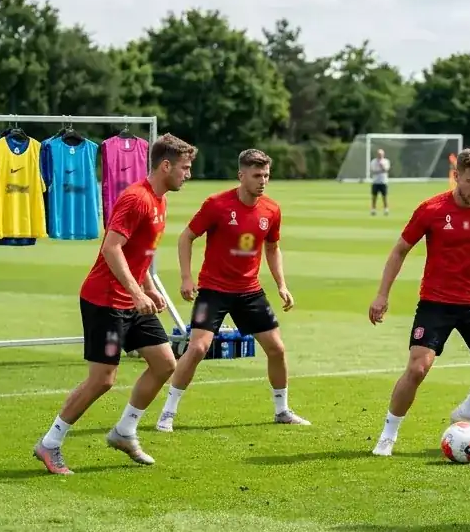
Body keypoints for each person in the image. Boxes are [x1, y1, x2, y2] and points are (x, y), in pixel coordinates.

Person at [32, 135, 196, 475]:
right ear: (165, 165)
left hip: (132, 299)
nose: (188, 174)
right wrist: (137, 293)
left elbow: (139, 256)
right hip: (105, 300)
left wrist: (148, 289)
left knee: (166, 363)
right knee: (103, 380)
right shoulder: (136, 199)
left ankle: (124, 432)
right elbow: (111, 248)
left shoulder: (160, 201)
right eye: (185, 167)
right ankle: (49, 444)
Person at [368, 147, 470, 456]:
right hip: (436, 302)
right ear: (457, 176)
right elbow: (400, 249)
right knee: (417, 369)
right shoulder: (431, 209)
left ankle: (467, 412)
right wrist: (382, 294)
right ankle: (389, 434)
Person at [155, 148, 308, 430]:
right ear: (241, 175)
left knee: (276, 349)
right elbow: (186, 238)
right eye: (257, 175)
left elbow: (272, 249)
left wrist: (282, 285)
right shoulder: (216, 204)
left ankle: (282, 410)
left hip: (249, 290)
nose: (263, 181)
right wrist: (186, 278)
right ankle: (168, 412)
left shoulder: (272, 210)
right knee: (198, 348)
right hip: (213, 290)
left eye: (266, 175)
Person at [370, 148, 391, 216]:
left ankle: (386, 209)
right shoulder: (373, 161)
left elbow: (386, 170)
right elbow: (373, 171)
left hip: (383, 181)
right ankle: (373, 209)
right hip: (375, 182)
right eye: (379, 154)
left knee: (384, 196)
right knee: (374, 196)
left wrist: (382, 166)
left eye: (381, 154)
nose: (380, 155)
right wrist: (380, 171)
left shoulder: (386, 161)